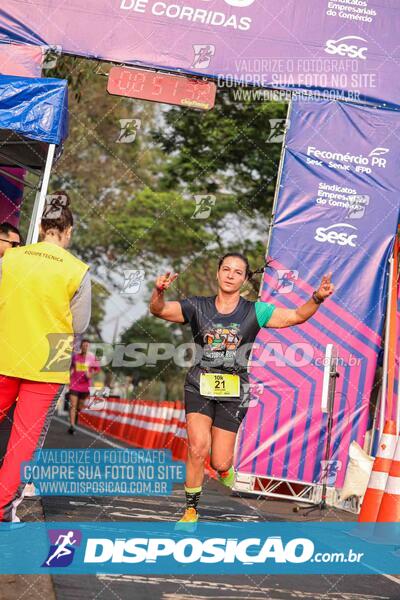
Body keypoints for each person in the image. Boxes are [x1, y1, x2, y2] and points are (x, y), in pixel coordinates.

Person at [150, 253, 335, 528]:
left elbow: (296, 316)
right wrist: (158, 292)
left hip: (235, 390)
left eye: (238, 272)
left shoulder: (255, 311)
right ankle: (190, 512)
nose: (230, 275)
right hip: (199, 384)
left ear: (245, 279)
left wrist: (317, 298)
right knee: (198, 448)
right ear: (217, 273)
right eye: (226, 269)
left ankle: (225, 469)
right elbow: (159, 310)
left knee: (220, 460)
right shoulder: (197, 305)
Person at [0, 198, 91, 521]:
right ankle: (3, 508)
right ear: (68, 231)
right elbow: (80, 325)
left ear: (39, 228)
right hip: (51, 359)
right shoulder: (77, 270)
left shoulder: (10, 258)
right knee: (23, 440)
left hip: (5, 350)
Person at [68, 338, 100, 434]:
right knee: (73, 406)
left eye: (87, 346)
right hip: (74, 384)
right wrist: (68, 379)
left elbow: (97, 369)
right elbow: (71, 368)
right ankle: (72, 425)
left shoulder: (92, 358)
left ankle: (75, 420)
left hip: (85, 386)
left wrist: (91, 374)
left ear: (89, 347)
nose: (85, 347)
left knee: (80, 407)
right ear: (81, 346)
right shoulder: (76, 357)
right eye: (84, 345)